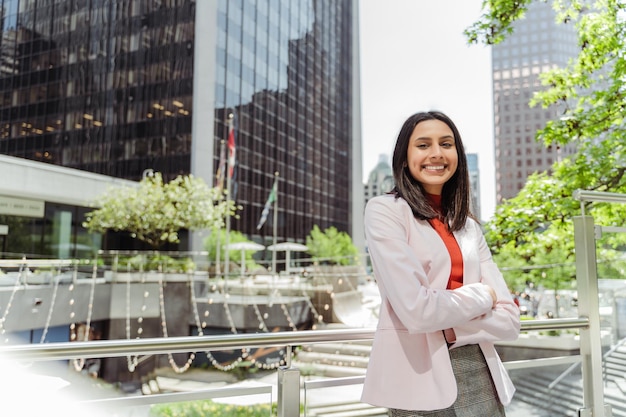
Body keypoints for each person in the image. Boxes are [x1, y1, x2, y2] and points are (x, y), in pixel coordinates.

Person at [361, 111, 520, 416]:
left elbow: (511, 320)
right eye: (423, 145)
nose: (436, 153)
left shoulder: (469, 227)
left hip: (479, 371)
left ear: (457, 155)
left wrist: (451, 329)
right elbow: (417, 311)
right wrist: (484, 296)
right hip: (416, 376)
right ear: (405, 158)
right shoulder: (385, 211)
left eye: (446, 144)